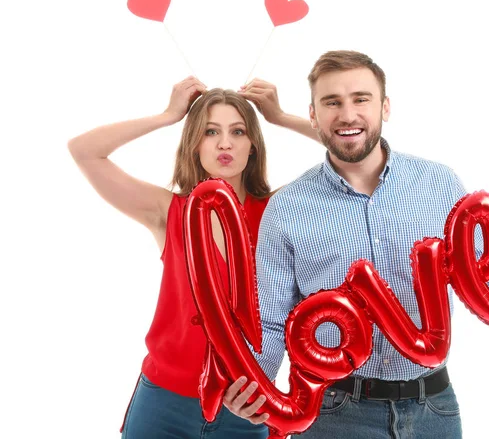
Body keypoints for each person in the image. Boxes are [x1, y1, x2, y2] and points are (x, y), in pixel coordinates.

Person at [223, 50, 489, 438]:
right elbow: (272, 318)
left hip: (434, 408)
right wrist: (253, 385)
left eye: (360, 99)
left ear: (384, 107)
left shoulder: (439, 183)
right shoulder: (287, 207)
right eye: (332, 102)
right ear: (313, 115)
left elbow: (482, 279)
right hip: (336, 413)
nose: (348, 114)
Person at [67, 76, 318, 439]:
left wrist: (280, 117)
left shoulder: (278, 212)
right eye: (210, 132)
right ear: (194, 145)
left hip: (247, 404)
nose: (225, 143)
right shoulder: (168, 211)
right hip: (162, 403)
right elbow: (84, 150)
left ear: (253, 146)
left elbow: (350, 156)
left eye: (239, 131)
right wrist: (167, 115)